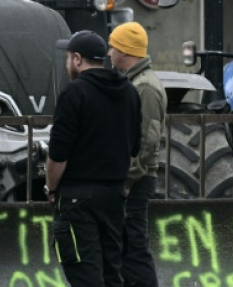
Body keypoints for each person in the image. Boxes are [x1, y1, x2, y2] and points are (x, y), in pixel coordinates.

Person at [46, 30, 141, 287]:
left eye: (68, 58)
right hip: (114, 198)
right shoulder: (130, 92)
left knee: (84, 273)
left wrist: (52, 188)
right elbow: (135, 148)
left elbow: (58, 154)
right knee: (112, 273)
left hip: (77, 198)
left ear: (77, 59)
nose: (67, 64)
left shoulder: (74, 93)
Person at [108, 22, 167, 287]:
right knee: (129, 244)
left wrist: (128, 180)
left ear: (125, 51)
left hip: (137, 179)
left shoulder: (145, 87)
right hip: (134, 177)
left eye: (113, 47)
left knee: (135, 246)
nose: (109, 52)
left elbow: (147, 140)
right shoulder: (136, 82)